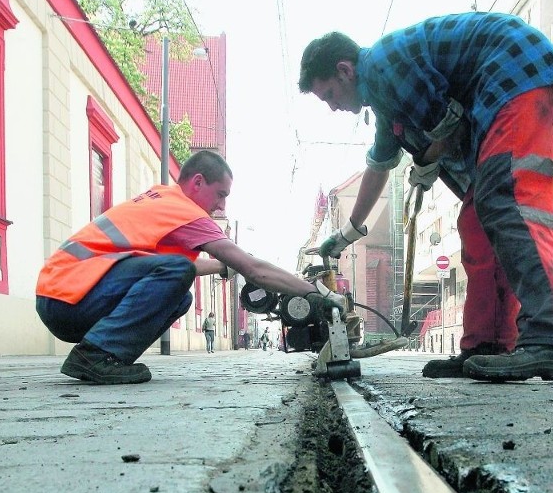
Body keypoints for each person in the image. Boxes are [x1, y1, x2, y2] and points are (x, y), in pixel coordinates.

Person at [299, 12, 553, 382]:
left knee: (508, 199)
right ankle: (488, 344)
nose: (333, 107)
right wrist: (349, 233)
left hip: (515, 75)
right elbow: (379, 165)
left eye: (330, 95)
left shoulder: (385, 65)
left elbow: (447, 128)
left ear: (344, 70)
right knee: (478, 217)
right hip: (504, 84)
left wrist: (425, 163)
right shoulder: (386, 102)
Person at [36, 150, 337, 384]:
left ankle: (107, 355)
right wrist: (315, 292)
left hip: (65, 297)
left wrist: (222, 266)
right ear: (197, 182)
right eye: (221, 194)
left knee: (181, 296)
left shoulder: (162, 198)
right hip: (70, 299)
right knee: (178, 272)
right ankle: (97, 354)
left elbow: (163, 269)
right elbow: (254, 269)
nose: (221, 206)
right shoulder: (185, 212)